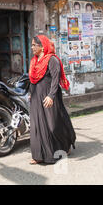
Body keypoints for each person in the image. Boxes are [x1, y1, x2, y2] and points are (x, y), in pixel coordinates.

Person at [29, 35, 76, 165]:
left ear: (42, 46)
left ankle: (65, 145)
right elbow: (32, 79)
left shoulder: (52, 60)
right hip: (36, 97)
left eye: (34, 45)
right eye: (32, 45)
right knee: (37, 126)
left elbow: (55, 79)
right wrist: (30, 93)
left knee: (53, 125)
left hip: (50, 96)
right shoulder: (34, 61)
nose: (32, 47)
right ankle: (39, 155)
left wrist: (51, 96)